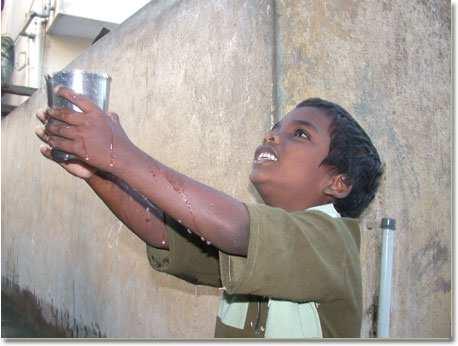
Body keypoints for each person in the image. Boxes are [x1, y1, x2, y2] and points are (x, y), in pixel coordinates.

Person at [35, 89, 383, 338]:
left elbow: (232, 226)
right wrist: (99, 173)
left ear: (339, 183)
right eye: (277, 127)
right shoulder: (254, 250)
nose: (273, 136)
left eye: (301, 134)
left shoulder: (333, 243)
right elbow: (162, 232)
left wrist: (118, 154)